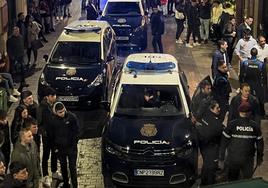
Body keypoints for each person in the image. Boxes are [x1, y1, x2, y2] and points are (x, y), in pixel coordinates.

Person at [219, 102, 264, 181]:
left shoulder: (232, 125)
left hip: (233, 159)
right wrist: (259, 157)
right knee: (247, 181)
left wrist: (221, 157)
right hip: (248, 160)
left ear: (239, 112)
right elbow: (260, 144)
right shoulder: (255, 126)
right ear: (250, 112)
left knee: (232, 181)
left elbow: (223, 142)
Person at [51, 102, 79, 188]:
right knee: (63, 167)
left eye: (63, 111)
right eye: (60, 112)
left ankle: (74, 185)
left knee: (72, 168)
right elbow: (51, 135)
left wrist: (74, 145)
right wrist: (55, 148)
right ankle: (66, 184)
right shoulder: (53, 121)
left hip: (71, 148)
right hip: (60, 149)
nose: (62, 113)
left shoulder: (71, 117)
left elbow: (76, 132)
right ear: (56, 112)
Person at [37, 87, 61, 187]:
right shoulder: (42, 107)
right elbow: (39, 122)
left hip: (55, 135)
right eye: (52, 96)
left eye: (55, 95)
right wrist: (44, 132)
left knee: (55, 153)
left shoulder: (55, 105)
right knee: (46, 155)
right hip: (47, 136)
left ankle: (54, 171)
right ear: (47, 97)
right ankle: (46, 175)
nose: (54, 97)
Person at [196, 100, 223, 185]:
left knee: (206, 165)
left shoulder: (205, 116)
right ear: (211, 109)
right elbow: (219, 133)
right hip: (212, 147)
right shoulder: (215, 121)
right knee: (211, 169)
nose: (219, 109)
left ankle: (203, 183)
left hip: (204, 147)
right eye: (217, 108)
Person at [239, 48, 265, 114]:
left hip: (247, 84)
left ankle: (246, 110)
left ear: (250, 54)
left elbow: (241, 74)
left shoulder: (245, 63)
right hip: (257, 84)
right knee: (258, 98)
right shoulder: (260, 64)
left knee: (246, 98)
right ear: (257, 54)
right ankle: (260, 112)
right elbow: (263, 76)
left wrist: (241, 84)